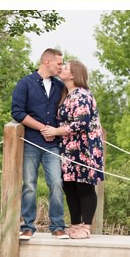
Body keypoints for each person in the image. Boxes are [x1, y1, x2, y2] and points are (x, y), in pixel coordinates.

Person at [11, 49, 68, 240]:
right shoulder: (25, 83)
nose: (61, 67)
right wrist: (43, 128)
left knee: (57, 183)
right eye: (59, 63)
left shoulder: (60, 87)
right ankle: (27, 227)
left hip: (53, 145)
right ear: (46, 61)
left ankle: (58, 226)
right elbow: (17, 112)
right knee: (29, 185)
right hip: (30, 143)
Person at [47, 59, 104, 239]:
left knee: (84, 185)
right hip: (68, 148)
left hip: (84, 147)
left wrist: (56, 131)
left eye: (65, 68)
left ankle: (86, 226)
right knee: (69, 186)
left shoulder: (82, 94)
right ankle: (75, 223)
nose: (61, 69)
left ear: (73, 75)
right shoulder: (67, 94)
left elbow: (81, 122)